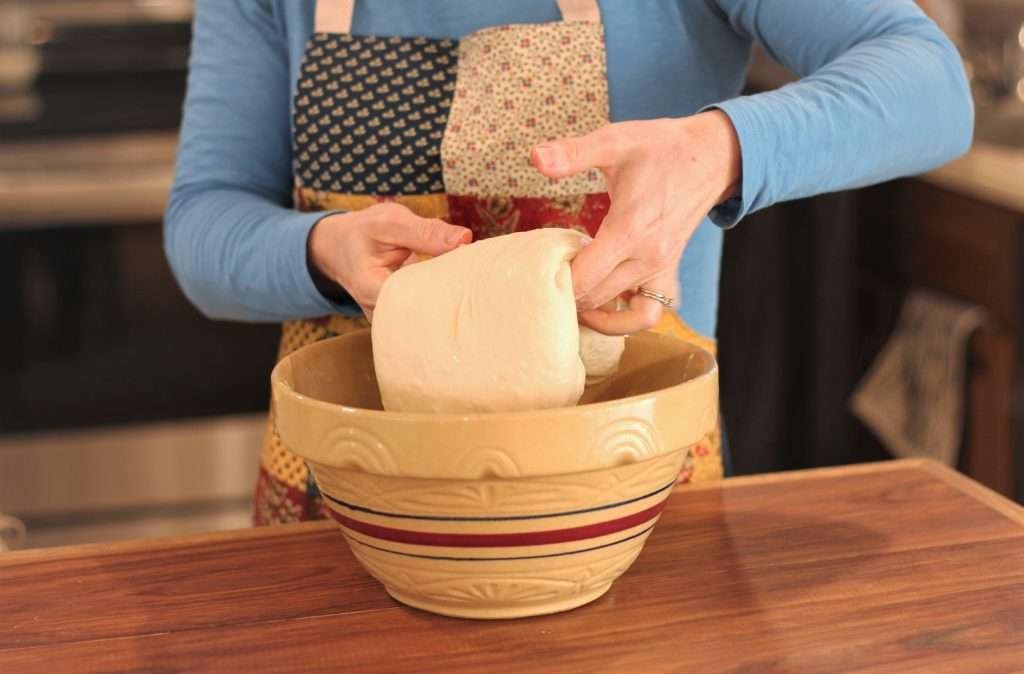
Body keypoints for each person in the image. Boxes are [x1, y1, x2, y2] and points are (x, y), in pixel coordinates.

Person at [165, 0, 973, 525]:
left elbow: (930, 84)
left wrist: (716, 149)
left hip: (627, 510)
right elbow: (202, 221)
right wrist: (317, 250)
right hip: (342, 514)